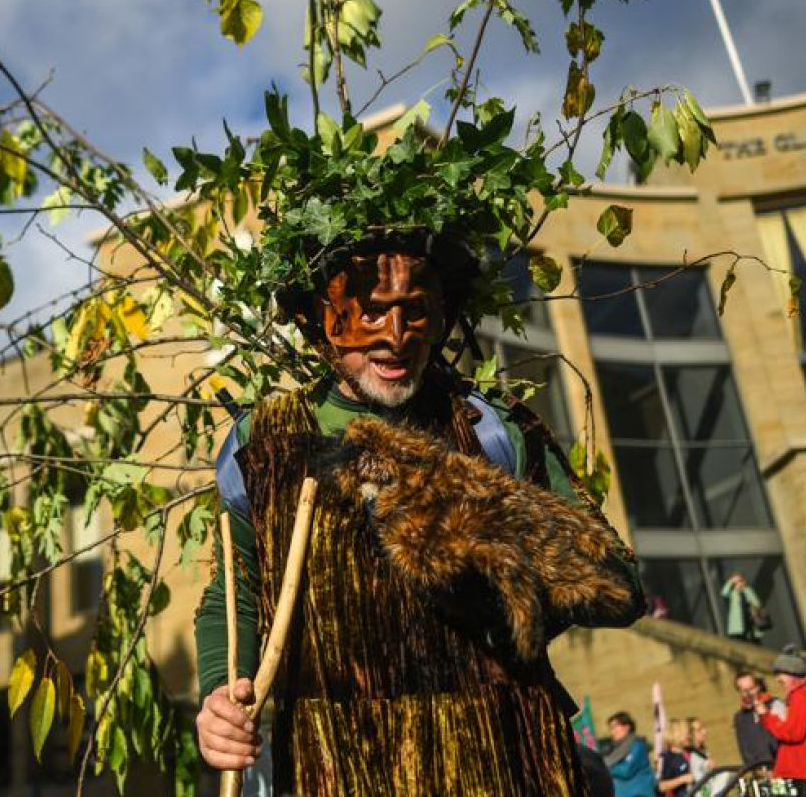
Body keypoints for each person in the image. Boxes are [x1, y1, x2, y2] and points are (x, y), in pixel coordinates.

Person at [192, 232, 647, 794]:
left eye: (414, 312)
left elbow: (620, 585)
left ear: (441, 314)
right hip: (337, 765)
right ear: (318, 320)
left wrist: (484, 518)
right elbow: (231, 595)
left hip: (500, 758)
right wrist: (219, 695)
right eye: (370, 313)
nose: (394, 338)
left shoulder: (493, 429)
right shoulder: (261, 442)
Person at [757, 645, 806, 780]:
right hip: (803, 766)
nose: (778, 679)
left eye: (781, 674)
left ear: (794, 675)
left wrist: (767, 717)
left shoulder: (801, 697)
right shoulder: (804, 695)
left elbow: (793, 733)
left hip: (802, 767)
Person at [732, 671, 782, 770]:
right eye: (744, 690)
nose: (749, 694)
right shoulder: (740, 718)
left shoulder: (773, 705)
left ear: (757, 687)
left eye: (751, 688)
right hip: (762, 771)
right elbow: (745, 750)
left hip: (782, 765)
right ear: (740, 692)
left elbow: (784, 735)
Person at [604, 712, 658, 797]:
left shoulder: (637, 746)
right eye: (611, 728)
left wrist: (605, 768)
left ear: (627, 727)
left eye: (615, 727)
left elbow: (626, 770)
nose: (613, 731)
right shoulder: (612, 750)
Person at [722, 573, 765, 643]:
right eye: (737, 582)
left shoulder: (748, 592)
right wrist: (731, 581)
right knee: (737, 641)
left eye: (740, 581)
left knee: (753, 642)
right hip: (736, 627)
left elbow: (757, 603)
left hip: (749, 624)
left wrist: (745, 589)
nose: (739, 584)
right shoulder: (733, 594)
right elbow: (724, 593)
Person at [658, 720, 694, 795]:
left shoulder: (689, 752)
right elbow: (662, 786)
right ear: (676, 735)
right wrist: (683, 779)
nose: (689, 736)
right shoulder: (667, 758)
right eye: (685, 734)